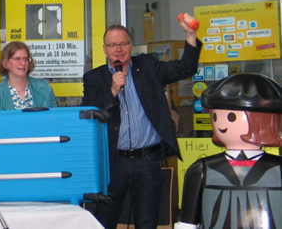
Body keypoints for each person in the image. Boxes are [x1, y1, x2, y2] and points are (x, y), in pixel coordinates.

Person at [82, 13, 202, 229]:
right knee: (103, 221)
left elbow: (185, 69)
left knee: (147, 222)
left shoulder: (148, 66)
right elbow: (90, 113)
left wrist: (190, 36)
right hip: (113, 163)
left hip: (148, 160)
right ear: (104, 49)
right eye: (112, 45)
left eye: (123, 43)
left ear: (131, 45)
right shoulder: (94, 78)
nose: (118, 49)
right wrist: (112, 91)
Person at [175, 74, 282, 229]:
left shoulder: (278, 169)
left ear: (262, 120)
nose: (220, 123)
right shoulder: (201, 169)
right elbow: (188, 222)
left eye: (231, 117)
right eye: (216, 116)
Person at [0, 41, 58, 111]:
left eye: (25, 59)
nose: (23, 63)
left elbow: (55, 120)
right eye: (17, 59)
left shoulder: (44, 87)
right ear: (5, 63)